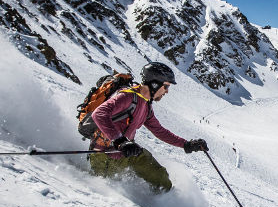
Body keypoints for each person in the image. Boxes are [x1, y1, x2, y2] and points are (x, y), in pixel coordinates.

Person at [88, 62, 208, 193]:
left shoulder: (146, 105)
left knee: (161, 179)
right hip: (104, 156)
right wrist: (120, 140)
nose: (167, 91)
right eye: (166, 86)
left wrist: (186, 144)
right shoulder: (127, 96)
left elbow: (159, 131)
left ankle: (166, 204)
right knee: (113, 190)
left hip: (128, 153)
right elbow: (99, 114)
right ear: (155, 83)